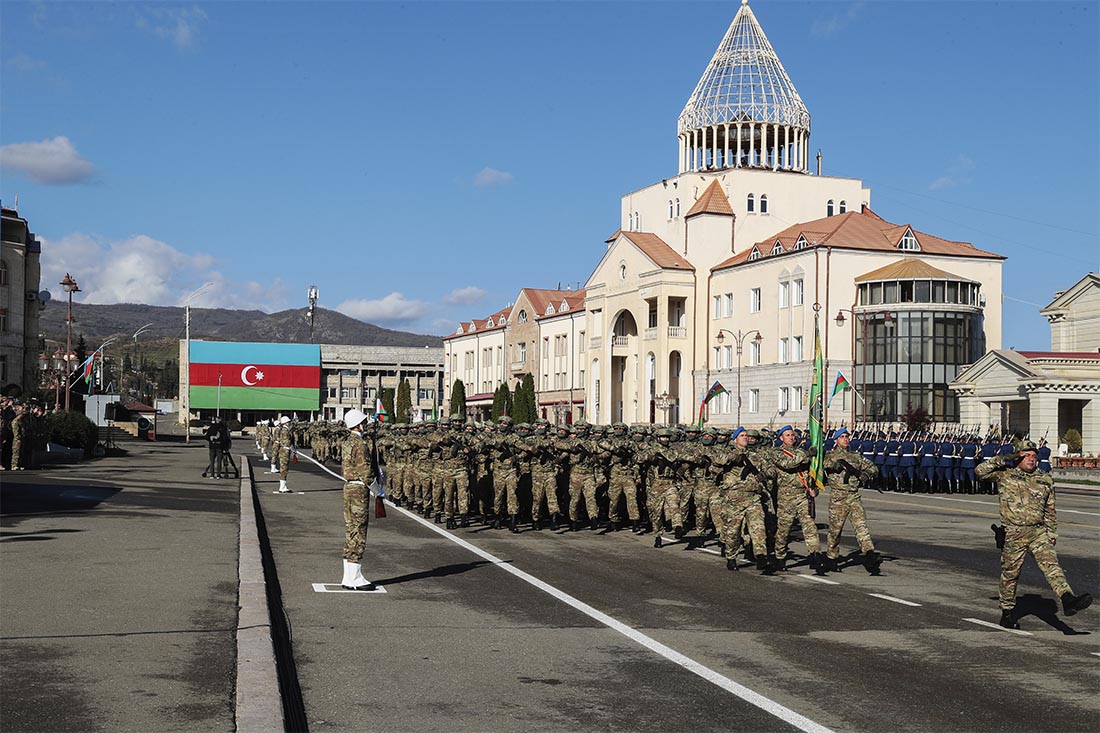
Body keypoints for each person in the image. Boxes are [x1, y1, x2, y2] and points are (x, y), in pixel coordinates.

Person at [976, 440, 1092, 628]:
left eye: (1034, 455)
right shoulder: (1006, 474)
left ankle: (1067, 598)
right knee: (1010, 575)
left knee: (1052, 566)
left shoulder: (1044, 478)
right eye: (1026, 455)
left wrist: (1052, 532)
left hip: (1038, 532)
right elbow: (980, 471)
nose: (1031, 459)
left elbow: (1050, 509)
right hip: (1013, 533)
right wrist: (1007, 458)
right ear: (1018, 457)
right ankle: (1007, 611)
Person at [821, 428, 881, 573]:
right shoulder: (830, 455)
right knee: (835, 531)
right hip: (838, 497)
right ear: (835, 440)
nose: (846, 439)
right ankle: (831, 558)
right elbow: (826, 465)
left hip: (854, 496)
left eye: (847, 436)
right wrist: (835, 465)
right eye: (842, 437)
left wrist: (866, 473)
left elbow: (873, 467)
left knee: (861, 527)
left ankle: (870, 555)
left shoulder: (856, 456)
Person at [338, 409, 375, 591]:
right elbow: (365, 470)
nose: (366, 424)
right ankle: (355, 577)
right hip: (359, 488)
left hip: (348, 486)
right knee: (359, 529)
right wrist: (378, 489)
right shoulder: (360, 443)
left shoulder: (347, 442)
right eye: (364, 421)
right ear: (358, 424)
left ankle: (348, 576)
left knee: (351, 528)